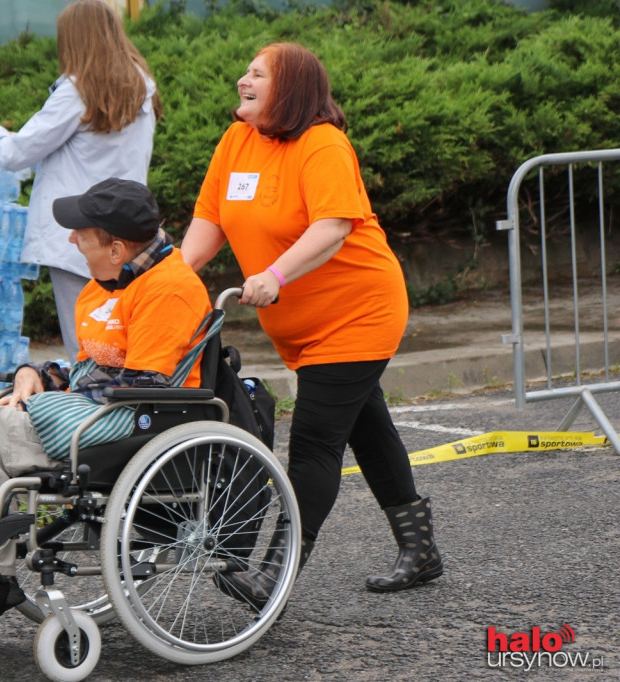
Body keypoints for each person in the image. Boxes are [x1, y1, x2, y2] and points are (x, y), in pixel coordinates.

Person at [181, 42, 443, 605]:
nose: (240, 81)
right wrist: (170, 282)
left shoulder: (322, 144)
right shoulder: (236, 142)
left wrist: (274, 273)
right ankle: (420, 552)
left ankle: (277, 571)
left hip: (358, 311)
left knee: (315, 443)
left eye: (256, 74)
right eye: (245, 71)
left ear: (290, 89)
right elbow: (209, 221)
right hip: (300, 325)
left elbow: (332, 227)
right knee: (368, 426)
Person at [0, 179, 212, 616]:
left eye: (82, 232)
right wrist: (37, 374)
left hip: (136, 423)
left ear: (116, 248)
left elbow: (144, 387)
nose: (71, 238)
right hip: (96, 410)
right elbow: (89, 368)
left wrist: (46, 401)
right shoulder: (104, 284)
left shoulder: (168, 288)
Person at [0, 0, 162, 362]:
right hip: (127, 229)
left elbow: (15, 153)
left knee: (86, 348)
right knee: (121, 343)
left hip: (79, 236)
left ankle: (92, 414)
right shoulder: (141, 87)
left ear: (73, 40)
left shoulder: (76, 92)